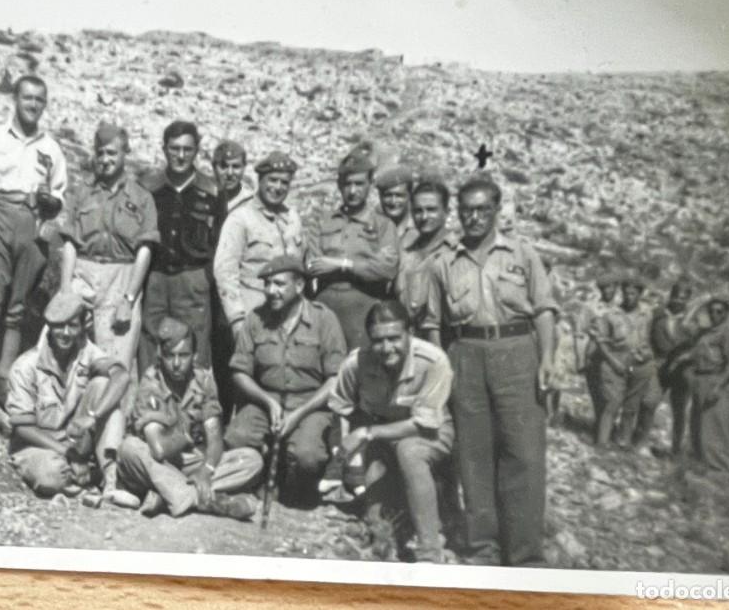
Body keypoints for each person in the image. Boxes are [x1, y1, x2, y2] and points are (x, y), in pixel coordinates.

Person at [422, 175, 557, 567]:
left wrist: (547, 359)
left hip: (517, 353)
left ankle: (526, 553)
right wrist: (439, 373)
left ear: (497, 210)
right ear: (458, 214)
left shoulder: (522, 253)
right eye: (467, 211)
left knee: (524, 454)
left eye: (483, 209)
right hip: (466, 355)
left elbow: (544, 308)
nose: (475, 218)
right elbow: (433, 323)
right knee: (474, 455)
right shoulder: (443, 262)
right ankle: (483, 548)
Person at [0, 75, 68, 409]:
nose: (33, 105)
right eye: (27, 98)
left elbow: (60, 197)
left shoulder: (51, 149)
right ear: (15, 99)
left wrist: (50, 208)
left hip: (30, 221)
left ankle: (4, 380)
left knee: (17, 309)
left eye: (39, 99)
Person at [329, 300, 454, 563]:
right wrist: (344, 457)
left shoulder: (433, 361)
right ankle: (389, 539)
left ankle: (430, 552)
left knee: (409, 452)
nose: (387, 348)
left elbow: (424, 424)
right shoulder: (356, 362)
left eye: (395, 338)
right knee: (377, 525)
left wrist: (365, 434)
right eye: (378, 340)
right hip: (380, 436)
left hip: (428, 433)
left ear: (410, 333)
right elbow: (341, 408)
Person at [225, 255, 347, 506]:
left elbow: (335, 379)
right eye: (267, 284)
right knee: (236, 438)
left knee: (307, 456)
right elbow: (239, 372)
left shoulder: (324, 319)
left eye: (279, 284)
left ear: (300, 286)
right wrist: (268, 403)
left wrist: (300, 413)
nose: (271, 291)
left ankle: (292, 479)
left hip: (310, 402)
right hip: (265, 399)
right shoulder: (255, 319)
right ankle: (258, 474)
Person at [118, 317, 262, 520]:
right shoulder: (151, 384)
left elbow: (215, 439)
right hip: (152, 463)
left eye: (183, 356)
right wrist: (185, 434)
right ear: (160, 355)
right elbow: (159, 450)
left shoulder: (203, 380)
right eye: (170, 356)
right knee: (129, 448)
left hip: (187, 462)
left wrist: (206, 470)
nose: (177, 364)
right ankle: (207, 501)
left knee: (251, 460)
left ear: (194, 356)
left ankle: (169, 494)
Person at [6, 291, 131, 499]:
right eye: (59, 325)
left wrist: (92, 416)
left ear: (82, 328)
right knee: (51, 476)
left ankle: (111, 479)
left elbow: (121, 376)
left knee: (104, 385)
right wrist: (67, 453)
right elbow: (23, 428)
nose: (65, 333)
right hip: (38, 445)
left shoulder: (85, 350)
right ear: (48, 326)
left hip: (74, 439)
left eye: (72, 325)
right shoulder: (26, 366)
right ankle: (89, 475)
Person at [57, 123, 158, 373]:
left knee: (114, 363)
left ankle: (110, 411)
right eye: (100, 153)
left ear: (125, 153)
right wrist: (65, 289)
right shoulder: (82, 193)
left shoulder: (142, 197)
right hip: (83, 272)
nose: (105, 160)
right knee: (58, 343)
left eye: (112, 153)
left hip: (121, 279)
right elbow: (70, 241)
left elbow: (145, 251)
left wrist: (129, 299)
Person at [141, 121, 219, 373]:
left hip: (193, 280)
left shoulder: (212, 190)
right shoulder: (148, 188)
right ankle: (151, 406)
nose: (181, 155)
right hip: (155, 277)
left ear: (197, 151)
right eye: (174, 148)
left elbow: (219, 241)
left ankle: (195, 408)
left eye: (188, 149)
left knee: (195, 349)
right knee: (152, 346)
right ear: (164, 149)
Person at [304, 148, 399, 354]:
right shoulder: (322, 222)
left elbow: (386, 269)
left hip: (364, 311)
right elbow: (312, 265)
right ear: (339, 185)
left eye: (359, 184)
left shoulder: (383, 225)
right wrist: (365, 264)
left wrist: (340, 264)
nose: (353, 190)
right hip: (326, 308)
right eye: (347, 184)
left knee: (363, 372)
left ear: (370, 185)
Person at [213, 151, 303, 340]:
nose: (277, 187)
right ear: (260, 180)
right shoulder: (240, 218)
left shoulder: (292, 218)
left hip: (289, 316)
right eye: (272, 180)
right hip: (254, 314)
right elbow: (225, 272)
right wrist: (237, 320)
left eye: (284, 182)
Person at [210, 139, 252, 417]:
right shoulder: (208, 196)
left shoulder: (250, 202)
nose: (229, 173)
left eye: (236, 167)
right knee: (213, 354)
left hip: (238, 287)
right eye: (223, 166)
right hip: (209, 288)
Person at [591, 274, 658, 450]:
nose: (629, 297)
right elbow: (602, 342)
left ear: (640, 294)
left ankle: (624, 441)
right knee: (612, 403)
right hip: (615, 361)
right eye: (626, 293)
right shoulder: (611, 315)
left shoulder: (647, 313)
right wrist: (614, 362)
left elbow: (648, 337)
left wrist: (647, 356)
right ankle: (602, 443)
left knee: (632, 405)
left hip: (640, 362)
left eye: (633, 294)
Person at [686, 293, 729, 477]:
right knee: (699, 426)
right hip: (701, 379)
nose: (714, 315)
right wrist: (700, 304)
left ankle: (723, 472)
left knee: (717, 427)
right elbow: (685, 325)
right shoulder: (706, 331)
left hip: (717, 380)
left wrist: (718, 386)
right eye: (711, 311)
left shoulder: (728, 331)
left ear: (726, 313)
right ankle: (706, 468)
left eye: (719, 311)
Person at [393, 177, 455, 339]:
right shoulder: (405, 252)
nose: (424, 216)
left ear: (446, 211)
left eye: (431, 209)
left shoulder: (457, 251)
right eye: (418, 211)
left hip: (447, 339)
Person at [650, 278, 699, 456]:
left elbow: (695, 346)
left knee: (679, 411)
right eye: (676, 296)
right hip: (660, 366)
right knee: (650, 402)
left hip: (680, 371)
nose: (679, 301)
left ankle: (676, 450)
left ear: (687, 300)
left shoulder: (692, 322)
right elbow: (648, 338)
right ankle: (640, 440)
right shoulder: (658, 314)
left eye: (683, 298)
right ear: (670, 296)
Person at [580, 272, 620, 435]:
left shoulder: (620, 307)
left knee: (613, 393)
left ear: (616, 288)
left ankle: (607, 425)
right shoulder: (591, 307)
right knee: (597, 391)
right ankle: (600, 425)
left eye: (610, 287)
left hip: (615, 354)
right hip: (594, 351)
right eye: (604, 288)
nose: (607, 291)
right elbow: (581, 329)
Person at [374, 163, 417, 248]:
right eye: (388, 195)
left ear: (410, 195)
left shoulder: (421, 223)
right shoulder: (371, 222)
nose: (393, 202)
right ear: (380, 196)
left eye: (399, 196)